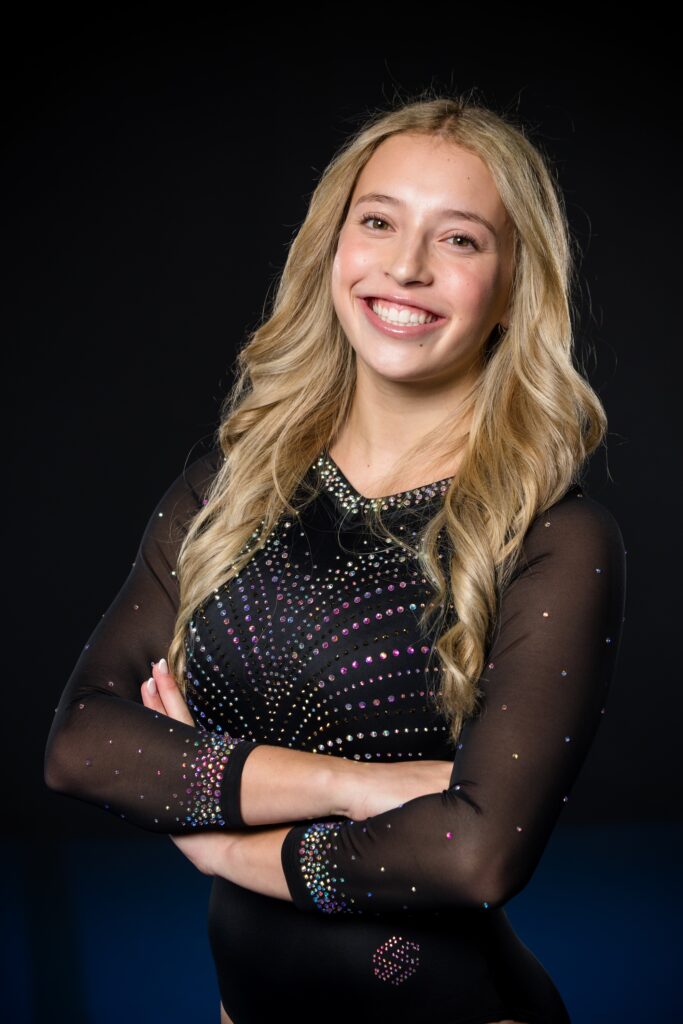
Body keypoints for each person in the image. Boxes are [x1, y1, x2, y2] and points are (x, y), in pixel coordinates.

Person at [44, 92, 627, 1024]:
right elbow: (82, 744)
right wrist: (355, 787)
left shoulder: (553, 537)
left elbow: (474, 857)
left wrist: (221, 842)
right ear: (332, 246)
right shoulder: (228, 490)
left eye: (459, 239)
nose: (406, 265)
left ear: (514, 283)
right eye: (379, 221)